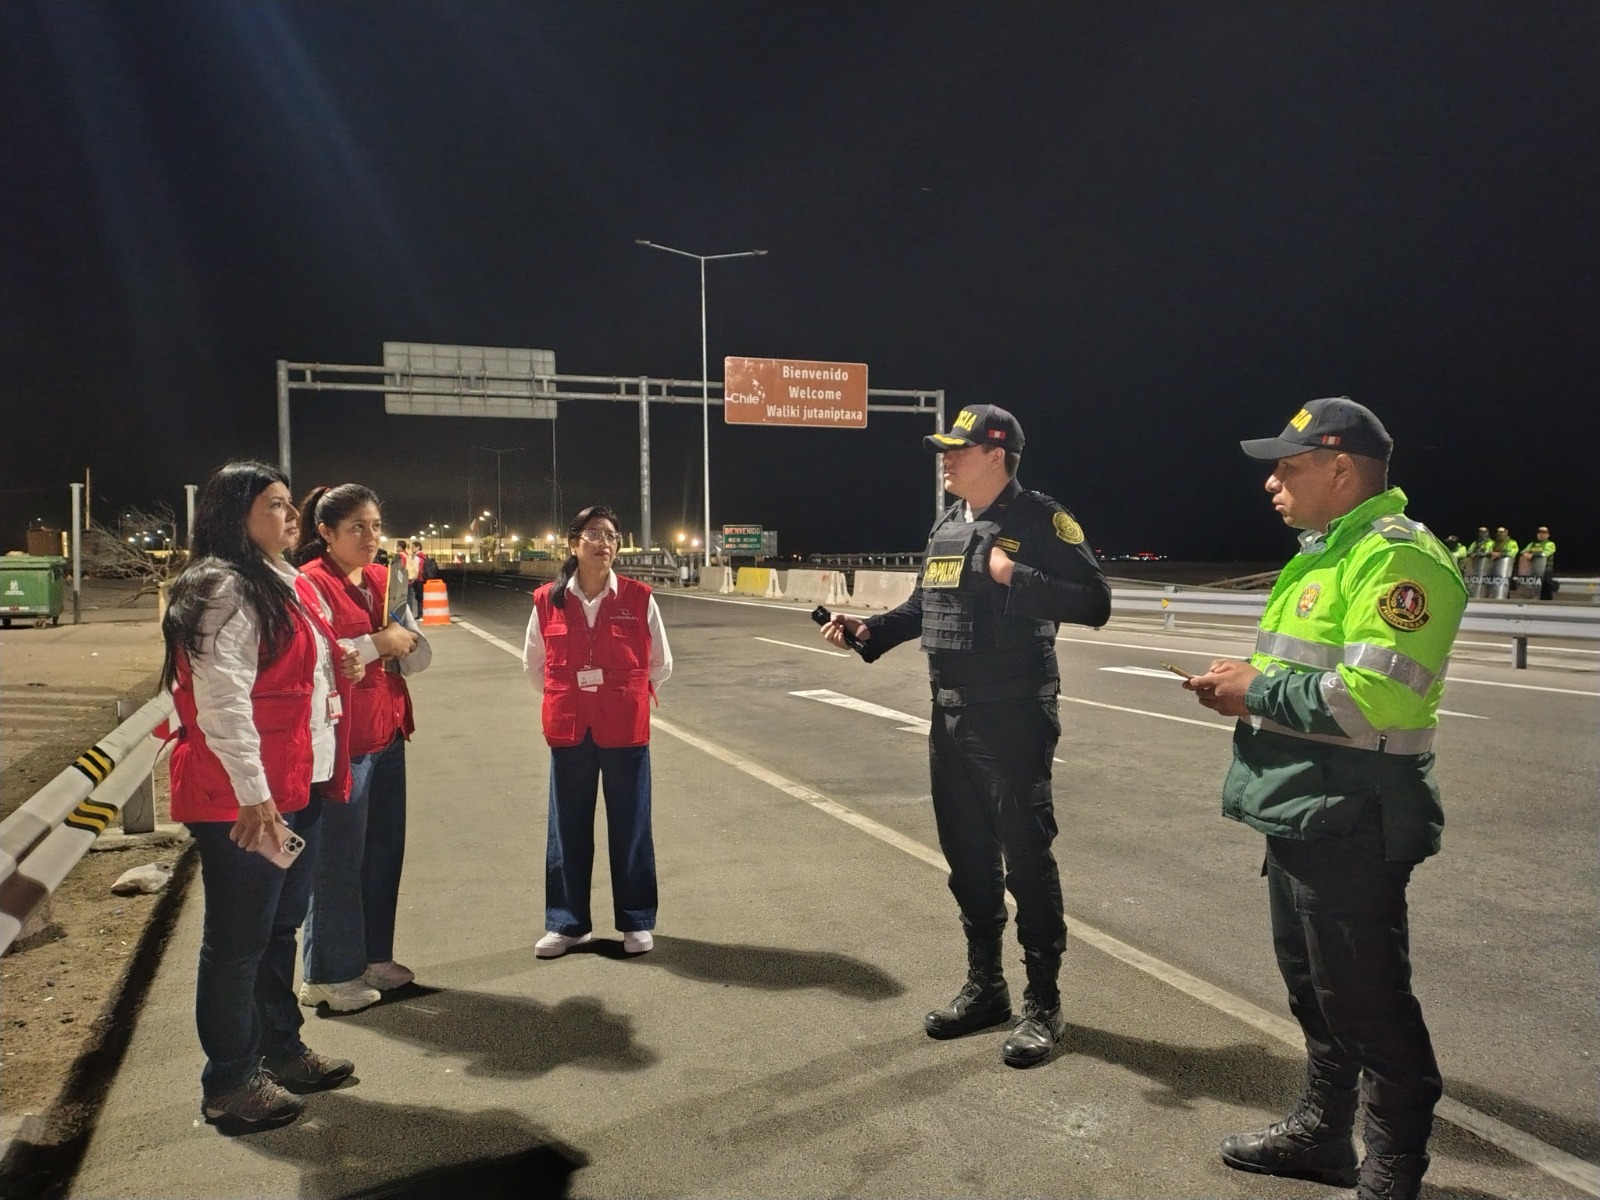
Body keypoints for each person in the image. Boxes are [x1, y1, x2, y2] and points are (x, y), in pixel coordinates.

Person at [1182, 397, 1465, 1200]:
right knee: (1315, 991)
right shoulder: (1324, 555)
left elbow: (1380, 695)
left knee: (1369, 1004)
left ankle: (1392, 1173)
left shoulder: (1396, 558)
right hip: (1301, 807)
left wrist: (1258, 687)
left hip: (1352, 815)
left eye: (1288, 465)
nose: (1272, 482)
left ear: (1341, 468)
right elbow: (1305, 676)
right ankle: (1321, 1138)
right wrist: (1243, 691)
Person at [820, 405, 1110, 1068]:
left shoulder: (1040, 519)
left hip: (1013, 715)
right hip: (947, 714)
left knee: (1027, 863)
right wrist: (870, 630)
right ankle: (987, 989)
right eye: (944, 448)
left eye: (958, 448)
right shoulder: (948, 523)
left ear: (996, 454)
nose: (944, 458)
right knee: (968, 862)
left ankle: (1044, 1004)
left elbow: (1095, 599)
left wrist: (1021, 579)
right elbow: (926, 606)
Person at [160, 461, 362, 1130]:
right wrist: (256, 796)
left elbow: (301, 688)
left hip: (289, 786)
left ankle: (280, 1049)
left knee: (279, 926)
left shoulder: (284, 580)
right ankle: (230, 1081)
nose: (289, 517)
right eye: (275, 506)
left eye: (288, 505)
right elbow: (222, 702)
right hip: (242, 799)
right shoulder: (222, 587)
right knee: (239, 939)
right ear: (234, 514)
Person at [294, 484, 431, 1012]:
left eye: (375, 525)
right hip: (342, 744)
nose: (370, 536)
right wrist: (381, 642)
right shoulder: (311, 584)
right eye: (357, 527)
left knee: (380, 854)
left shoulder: (384, 578)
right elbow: (320, 658)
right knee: (336, 860)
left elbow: (411, 645)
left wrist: (396, 642)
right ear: (325, 533)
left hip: (388, 729)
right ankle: (327, 972)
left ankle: (373, 956)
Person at [523, 504, 673, 958]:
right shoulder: (548, 599)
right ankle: (567, 924)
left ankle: (635, 920)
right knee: (567, 827)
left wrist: (621, 692)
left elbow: (660, 664)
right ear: (574, 544)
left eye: (610, 535)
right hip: (569, 727)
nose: (603, 542)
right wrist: (570, 695)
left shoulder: (639, 596)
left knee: (631, 825)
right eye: (593, 534)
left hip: (625, 727)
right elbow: (534, 664)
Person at [1519, 525, 1557, 600]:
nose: (1541, 534)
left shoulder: (1550, 544)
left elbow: (1545, 553)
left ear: (1548, 535)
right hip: (1532, 569)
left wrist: (1532, 555)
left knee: (1546, 585)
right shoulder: (1532, 544)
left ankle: (1547, 601)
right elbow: (1523, 551)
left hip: (1546, 568)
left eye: (1544, 532)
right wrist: (1524, 554)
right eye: (1539, 532)